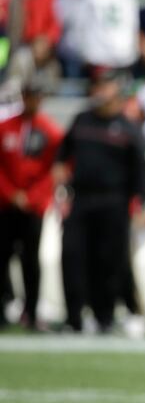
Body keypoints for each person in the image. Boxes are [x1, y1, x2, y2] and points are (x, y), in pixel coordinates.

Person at [54, 70, 145, 332]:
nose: (99, 91)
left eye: (105, 86)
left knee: (108, 260)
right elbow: (62, 155)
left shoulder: (128, 128)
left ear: (116, 92)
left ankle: (103, 316)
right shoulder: (82, 120)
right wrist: (59, 182)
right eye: (97, 86)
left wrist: (141, 203)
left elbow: (141, 169)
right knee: (73, 255)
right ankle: (74, 317)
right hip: (81, 198)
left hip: (114, 201)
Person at [0, 80, 62, 330]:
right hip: (5, 204)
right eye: (28, 95)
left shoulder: (51, 131)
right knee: (2, 257)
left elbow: (51, 172)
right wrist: (11, 194)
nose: (32, 100)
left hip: (33, 206)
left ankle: (32, 310)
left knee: (31, 260)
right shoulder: (5, 128)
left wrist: (32, 197)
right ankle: (3, 309)